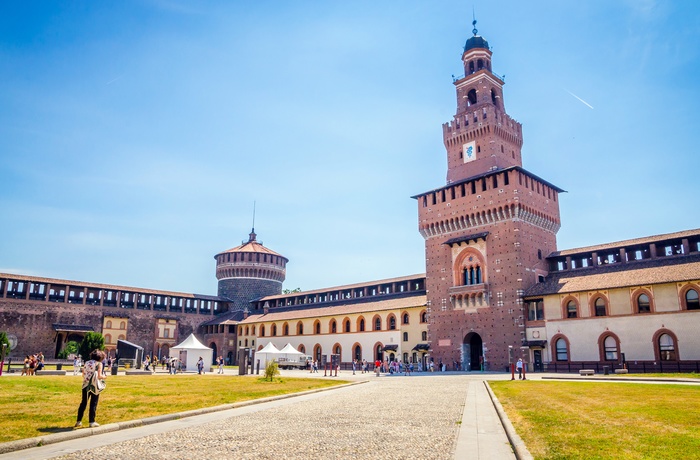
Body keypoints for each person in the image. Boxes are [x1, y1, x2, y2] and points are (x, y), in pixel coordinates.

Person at [75, 349, 107, 428]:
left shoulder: (86, 362)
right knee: (93, 403)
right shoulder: (99, 364)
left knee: (83, 403)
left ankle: (78, 421)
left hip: (85, 385)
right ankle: (91, 421)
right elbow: (99, 376)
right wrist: (104, 377)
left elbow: (83, 373)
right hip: (94, 386)